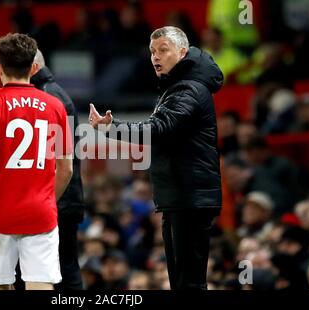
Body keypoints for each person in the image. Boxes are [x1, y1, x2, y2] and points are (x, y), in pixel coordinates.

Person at [89, 26, 223, 290]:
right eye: (152, 51)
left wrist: (111, 127)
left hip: (190, 197)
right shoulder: (176, 87)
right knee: (182, 281)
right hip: (180, 196)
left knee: (188, 282)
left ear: (182, 52)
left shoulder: (189, 89)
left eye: (163, 50)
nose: (155, 57)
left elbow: (157, 129)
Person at [0, 33, 73, 290]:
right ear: (34, 67)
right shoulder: (55, 106)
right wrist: (48, 199)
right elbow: (66, 168)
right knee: (40, 285)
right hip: (40, 213)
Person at [31, 49, 85, 290]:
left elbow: (57, 161)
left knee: (62, 271)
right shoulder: (49, 93)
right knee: (62, 269)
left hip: (57, 198)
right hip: (60, 198)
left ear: (32, 67)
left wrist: (46, 202)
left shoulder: (47, 97)